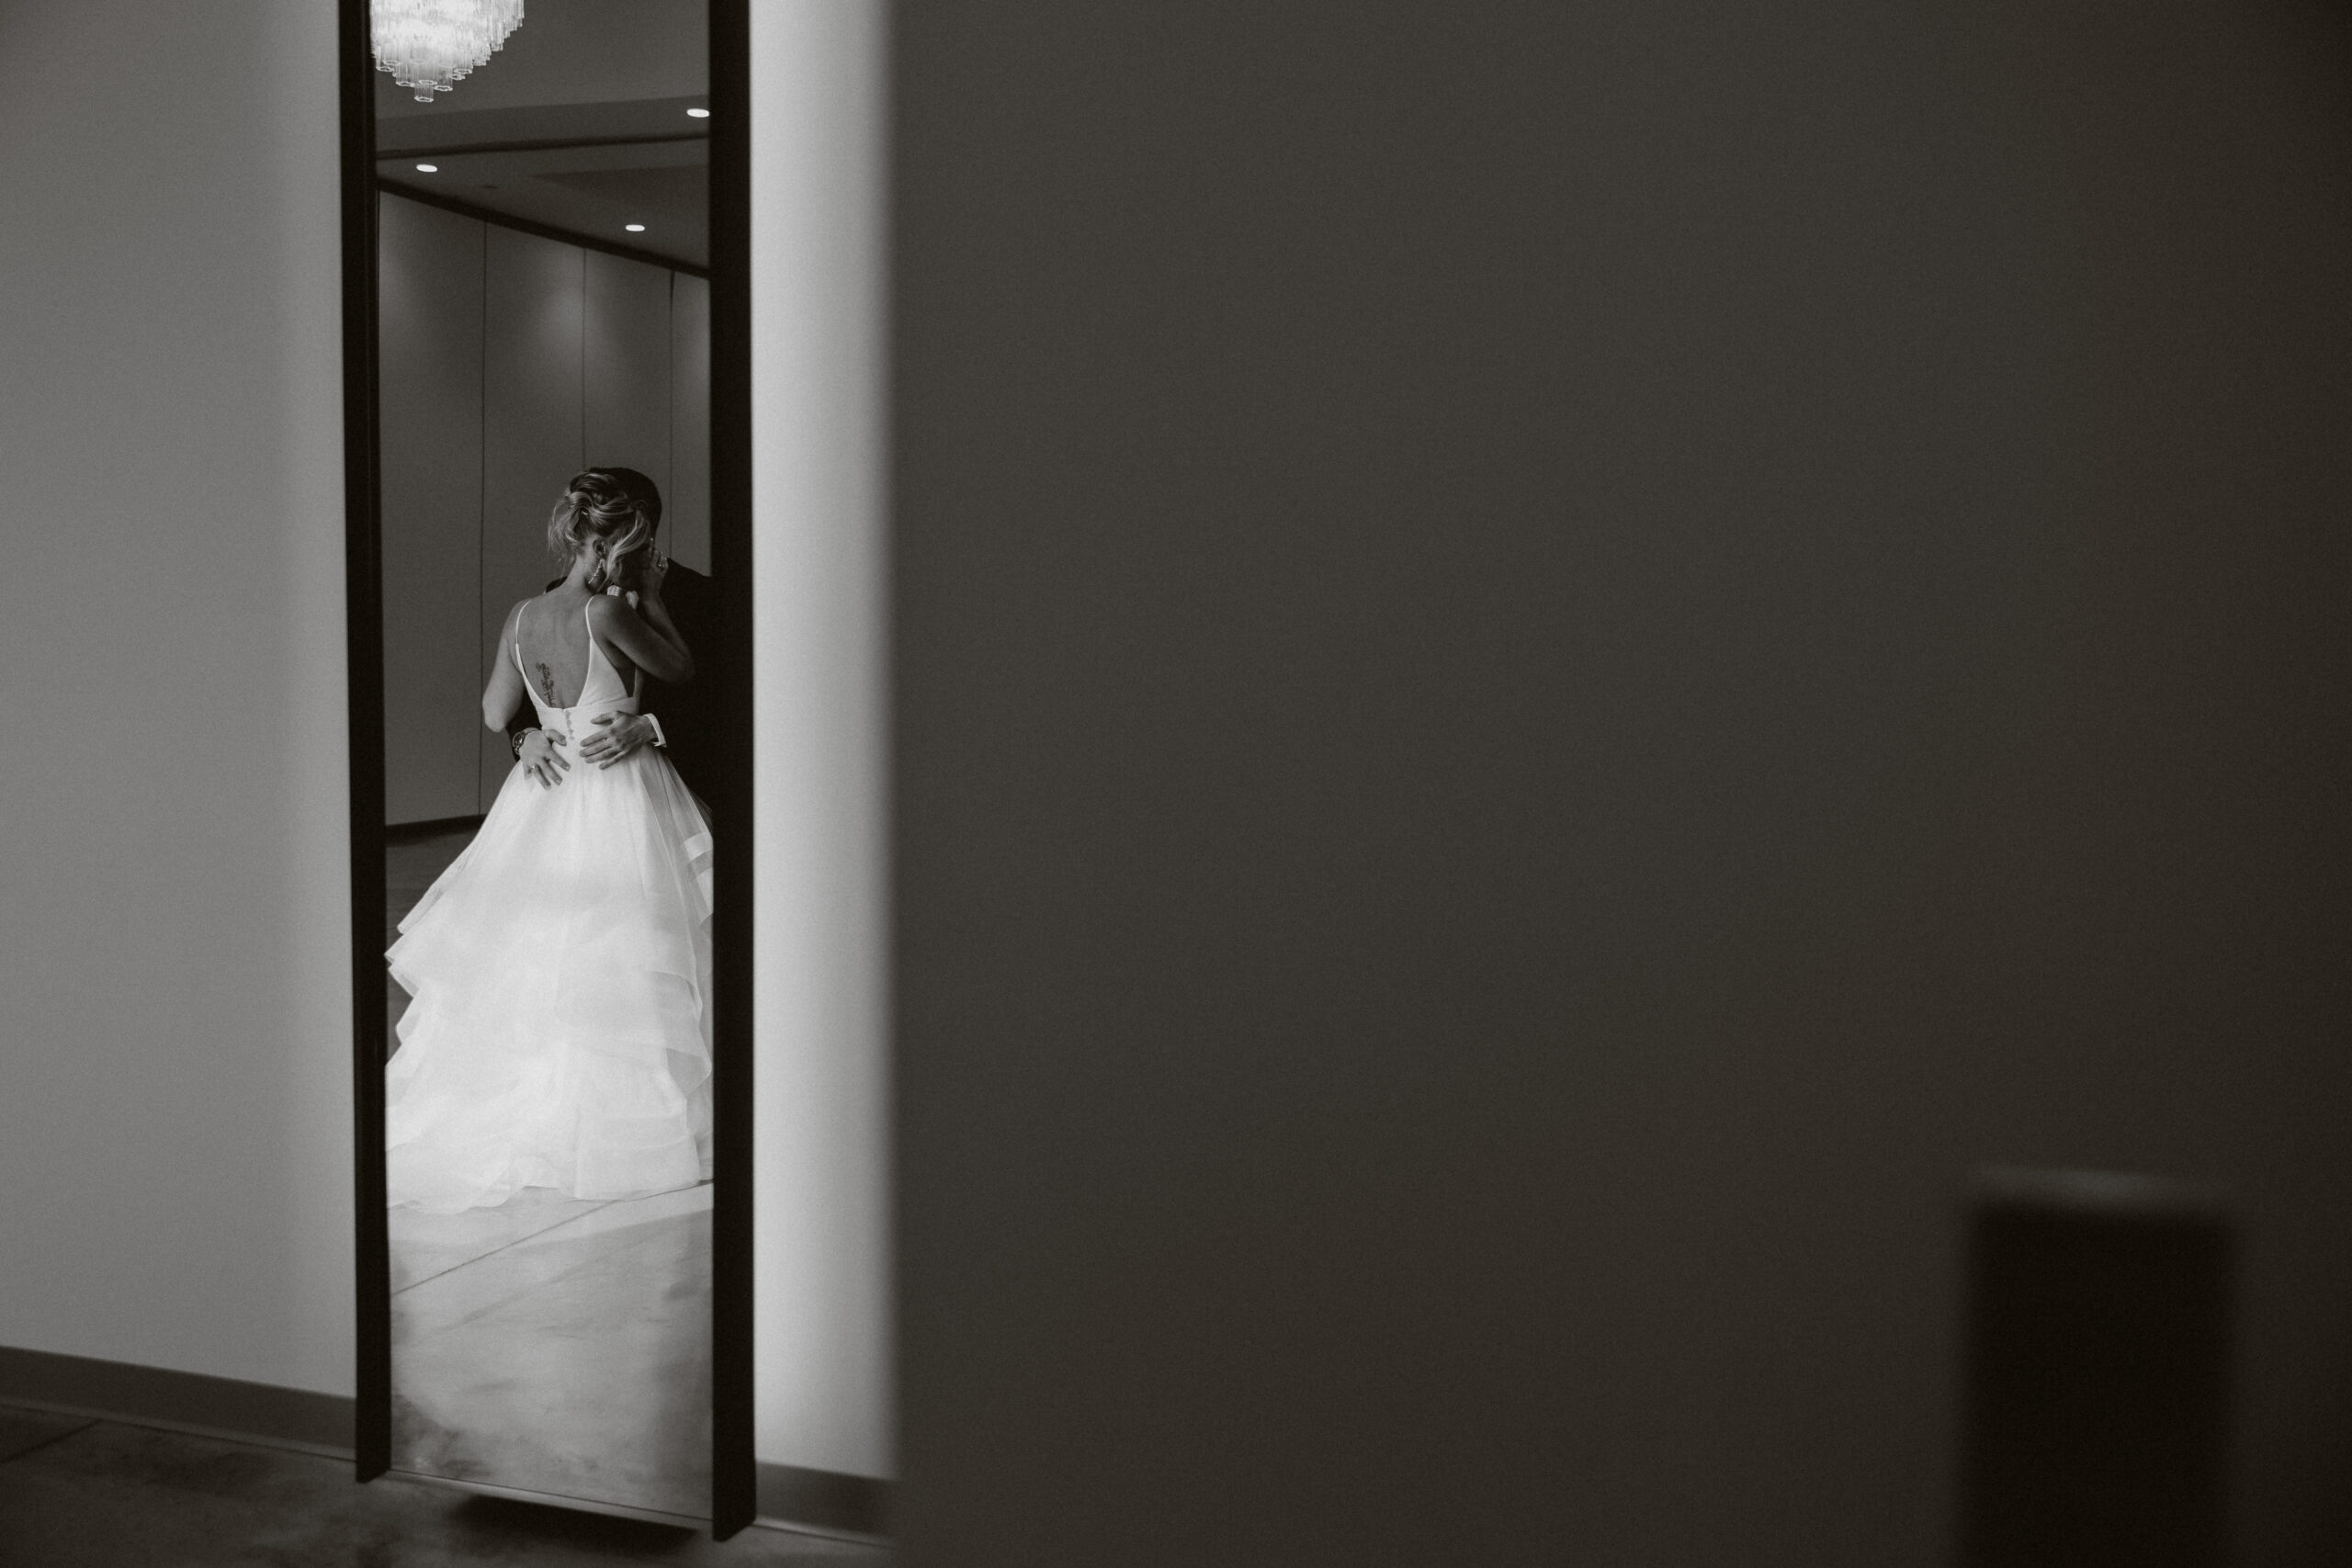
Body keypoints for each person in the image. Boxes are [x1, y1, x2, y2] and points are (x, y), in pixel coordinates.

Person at [385, 469, 713, 1213]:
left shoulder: (520, 615)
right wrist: (654, 602)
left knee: (538, 948)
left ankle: (533, 1102)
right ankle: (623, 1123)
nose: (639, 560)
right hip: (616, 789)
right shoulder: (609, 614)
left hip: (543, 791)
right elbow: (681, 669)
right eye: (631, 548)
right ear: (608, 545)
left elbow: (497, 709)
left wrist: (532, 734)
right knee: (624, 950)